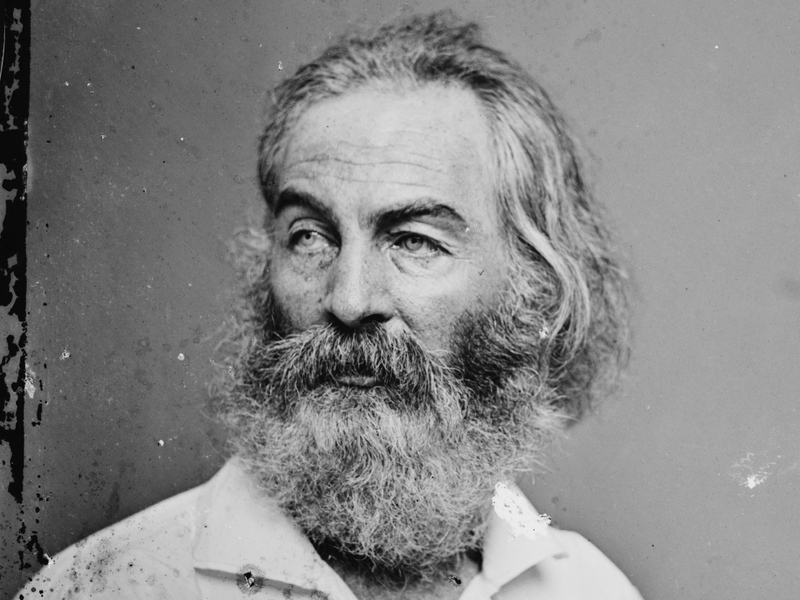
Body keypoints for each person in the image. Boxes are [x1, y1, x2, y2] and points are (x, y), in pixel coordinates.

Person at [17, 11, 643, 600]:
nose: (348, 299)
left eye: (415, 241)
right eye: (310, 237)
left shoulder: (591, 590)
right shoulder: (104, 586)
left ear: (534, 287)